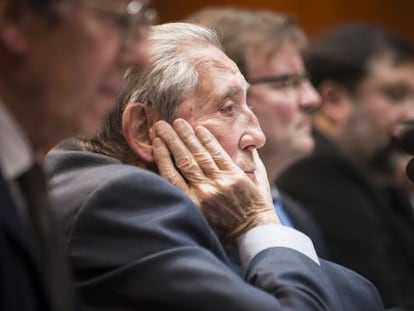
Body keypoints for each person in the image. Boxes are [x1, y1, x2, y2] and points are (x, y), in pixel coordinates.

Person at [45, 22, 382, 310]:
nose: (257, 136)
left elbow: (357, 293)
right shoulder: (119, 198)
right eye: (227, 107)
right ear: (145, 129)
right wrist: (257, 222)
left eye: (247, 105)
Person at [0, 0, 153, 310]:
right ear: (16, 20)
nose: (141, 55)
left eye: (142, 23)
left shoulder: (28, 177)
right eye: (119, 22)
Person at [277, 23, 414, 309]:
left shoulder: (377, 170)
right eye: (395, 95)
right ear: (334, 100)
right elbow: (382, 299)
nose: (411, 114)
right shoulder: (313, 171)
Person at [187, 6, 328, 257]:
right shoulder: (193, 221)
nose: (312, 99)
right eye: (287, 83)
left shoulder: (300, 216)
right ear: (229, 92)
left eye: (305, 80)